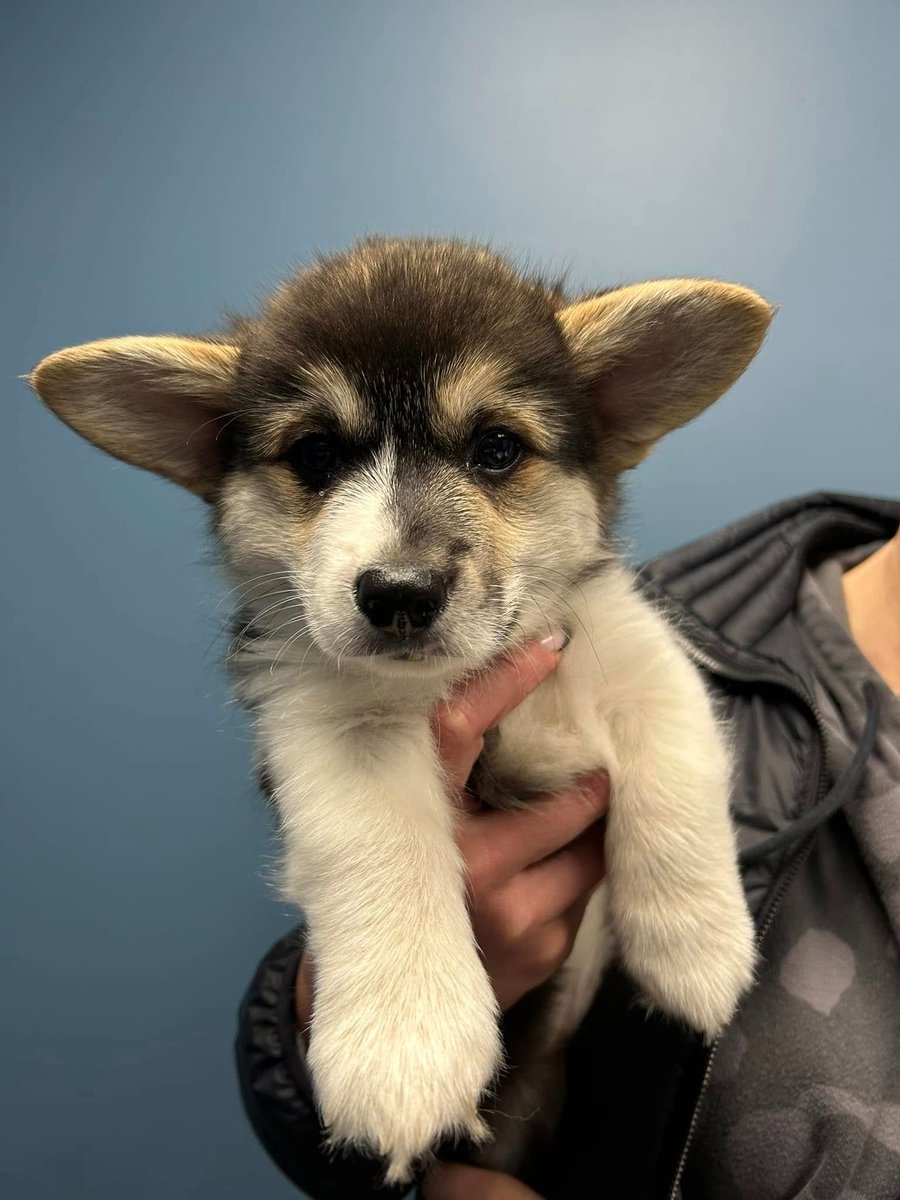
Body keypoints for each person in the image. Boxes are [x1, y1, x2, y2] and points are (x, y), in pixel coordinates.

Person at [235, 491, 900, 1200]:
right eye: (315, 461)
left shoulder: (636, 629)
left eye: (494, 450)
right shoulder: (713, 609)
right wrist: (317, 1012)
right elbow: (340, 1127)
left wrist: (678, 899)